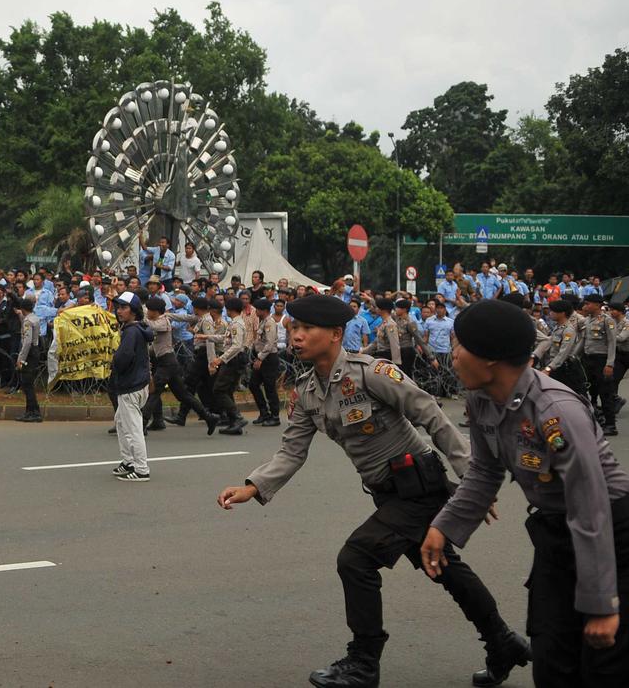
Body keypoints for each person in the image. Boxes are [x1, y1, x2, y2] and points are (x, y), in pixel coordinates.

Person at [218, 294, 528, 688]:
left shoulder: (371, 372)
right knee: (443, 568)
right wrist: (251, 486)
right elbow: (292, 451)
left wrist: (471, 480)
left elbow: (430, 413)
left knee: (356, 558)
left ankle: (363, 662)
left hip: (417, 485)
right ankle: (502, 642)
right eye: (293, 329)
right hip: (388, 493)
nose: (295, 336)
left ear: (334, 334)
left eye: (305, 329)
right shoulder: (306, 391)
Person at [424, 298, 629, 686]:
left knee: (604, 667)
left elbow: (590, 507)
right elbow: (484, 472)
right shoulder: (481, 399)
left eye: (459, 346)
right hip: (556, 535)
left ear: (490, 358)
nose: (452, 356)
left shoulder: (555, 410)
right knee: (551, 660)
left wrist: (602, 603)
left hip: (612, 536)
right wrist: (444, 526)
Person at [142, 297, 221, 434]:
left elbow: (152, 326)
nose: (148, 312)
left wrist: (140, 316)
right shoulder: (161, 318)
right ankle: (209, 417)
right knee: (183, 395)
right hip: (167, 362)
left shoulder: (163, 321)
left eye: (149, 310)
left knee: (154, 392)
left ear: (155, 312)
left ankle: (141, 424)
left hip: (167, 363)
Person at [110, 292, 154, 481]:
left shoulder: (131, 331)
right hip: (137, 383)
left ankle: (141, 468)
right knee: (121, 422)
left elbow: (123, 358)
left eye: (124, 307)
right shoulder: (138, 328)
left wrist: (114, 362)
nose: (119, 311)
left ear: (134, 311)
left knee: (133, 427)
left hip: (131, 385)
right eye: (118, 307)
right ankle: (128, 461)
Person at [579, 294, 618, 436]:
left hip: (602, 360)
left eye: (588, 303)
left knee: (605, 393)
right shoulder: (587, 320)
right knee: (589, 391)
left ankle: (610, 424)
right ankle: (596, 420)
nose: (585, 306)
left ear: (597, 305)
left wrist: (610, 364)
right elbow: (583, 341)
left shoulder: (607, 320)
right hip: (588, 360)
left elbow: (612, 343)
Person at [211, 298, 251, 435]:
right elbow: (226, 338)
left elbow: (236, 345)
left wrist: (221, 359)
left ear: (230, 309)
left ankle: (237, 417)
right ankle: (234, 422)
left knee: (219, 390)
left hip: (233, 360)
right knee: (227, 390)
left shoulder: (236, 325)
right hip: (233, 359)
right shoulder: (234, 323)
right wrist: (207, 337)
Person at [534, 299, 587, 396]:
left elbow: (563, 353)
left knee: (574, 394)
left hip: (565, 369)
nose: (550, 313)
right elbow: (549, 342)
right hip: (556, 367)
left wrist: (549, 368)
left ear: (562, 313)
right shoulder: (558, 327)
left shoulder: (568, 330)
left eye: (553, 311)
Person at [248, 297, 283, 426]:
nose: (256, 311)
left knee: (270, 388)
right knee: (253, 384)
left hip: (268, 358)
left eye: (257, 309)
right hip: (261, 357)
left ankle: (275, 416)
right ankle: (264, 412)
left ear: (264, 310)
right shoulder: (262, 321)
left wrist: (260, 358)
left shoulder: (270, 323)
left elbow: (269, 344)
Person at [14, 297, 42, 422]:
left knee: (27, 383)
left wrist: (20, 359)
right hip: (35, 351)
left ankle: (32, 412)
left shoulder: (27, 322)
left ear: (22, 309)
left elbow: (26, 342)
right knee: (28, 383)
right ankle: (32, 410)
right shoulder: (34, 318)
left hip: (29, 353)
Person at [361, 297, 401, 366]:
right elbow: (376, 342)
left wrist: (396, 363)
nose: (375, 309)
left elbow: (394, 345)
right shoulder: (384, 323)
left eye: (376, 307)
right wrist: (363, 351)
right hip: (381, 356)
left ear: (383, 309)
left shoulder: (390, 324)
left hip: (387, 357)